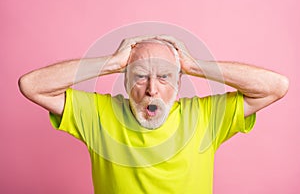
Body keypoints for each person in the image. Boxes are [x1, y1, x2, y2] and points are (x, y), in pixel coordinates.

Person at [18, 35, 289, 194]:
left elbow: (276, 87)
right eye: (139, 76)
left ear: (180, 83)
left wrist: (195, 65)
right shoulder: (99, 114)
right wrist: (112, 62)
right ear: (124, 81)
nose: (151, 89)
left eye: (164, 76)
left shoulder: (206, 116)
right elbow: (31, 86)